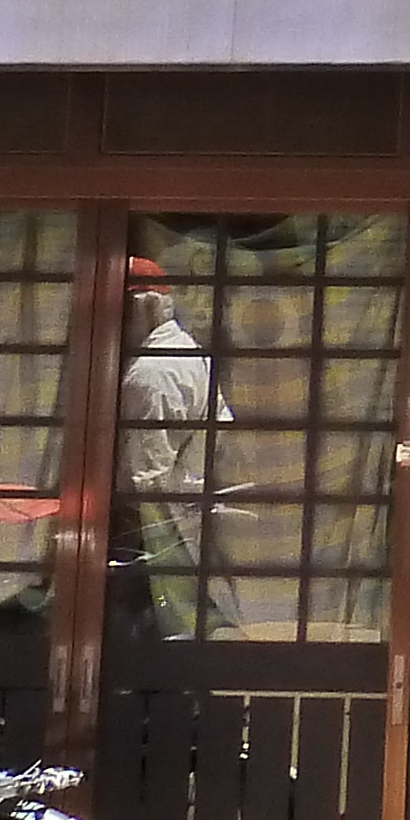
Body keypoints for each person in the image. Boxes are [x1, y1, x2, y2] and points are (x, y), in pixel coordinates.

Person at [115, 256, 229, 638]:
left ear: (142, 308)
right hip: (189, 505)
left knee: (161, 629)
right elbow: (221, 426)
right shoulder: (188, 351)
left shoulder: (151, 372)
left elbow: (147, 477)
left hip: (157, 525)